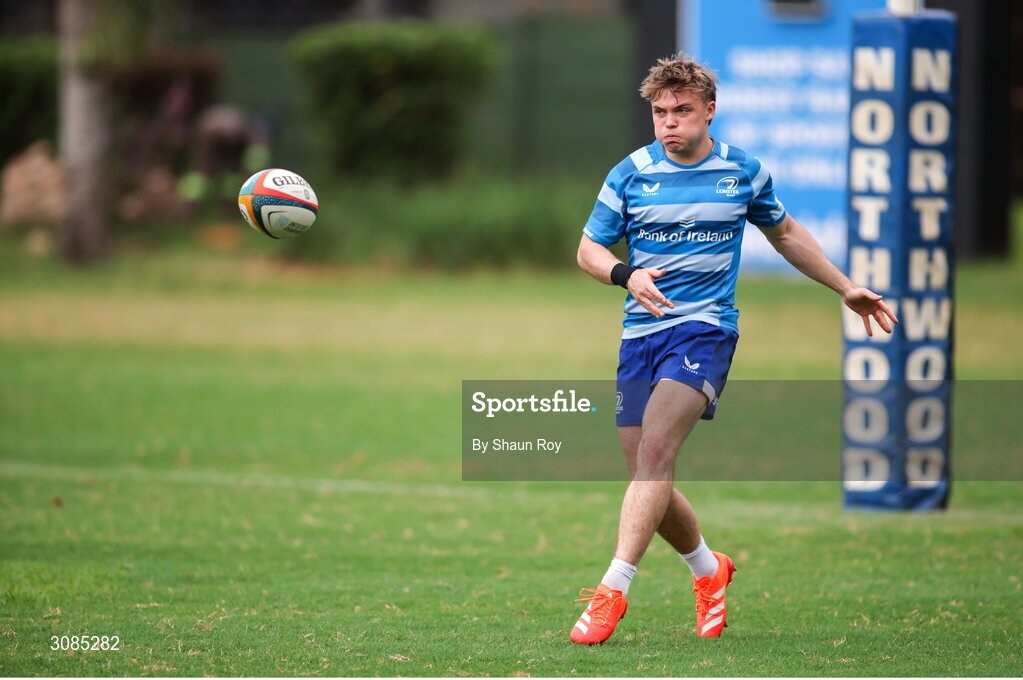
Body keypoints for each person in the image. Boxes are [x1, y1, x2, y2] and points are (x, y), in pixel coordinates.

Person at [570, 53, 898, 645]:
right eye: (659, 112)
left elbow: (788, 234)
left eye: (682, 111)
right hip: (640, 334)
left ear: (709, 111)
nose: (669, 122)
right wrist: (626, 275)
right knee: (647, 475)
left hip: (706, 330)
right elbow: (589, 250)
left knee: (653, 458)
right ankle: (708, 569)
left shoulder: (742, 173)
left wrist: (846, 285)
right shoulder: (630, 173)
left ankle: (612, 591)